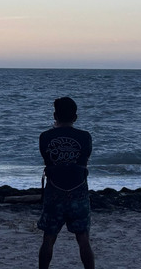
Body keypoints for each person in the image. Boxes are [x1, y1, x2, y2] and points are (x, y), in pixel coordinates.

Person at [37, 96, 95, 269]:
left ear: (55, 115)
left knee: (48, 237)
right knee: (83, 238)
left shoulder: (45, 137)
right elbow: (84, 159)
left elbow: (47, 159)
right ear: (75, 117)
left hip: (54, 190)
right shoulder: (85, 137)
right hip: (78, 190)